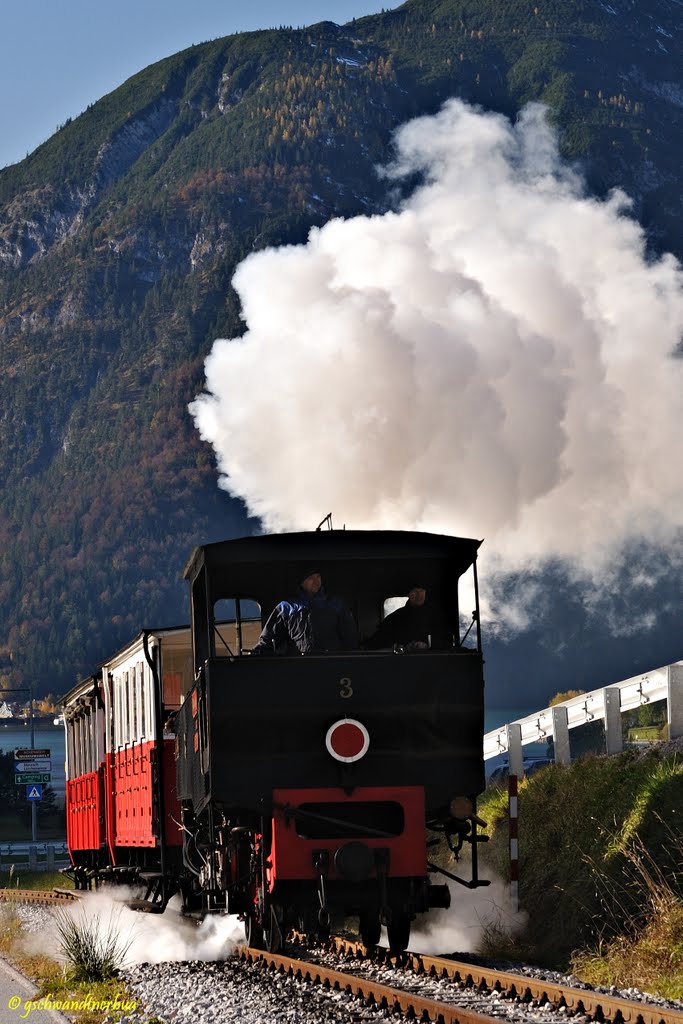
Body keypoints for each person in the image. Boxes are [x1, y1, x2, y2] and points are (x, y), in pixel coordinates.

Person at [250, 567, 359, 655]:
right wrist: (255, 654)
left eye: (318, 576)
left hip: (332, 665)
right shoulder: (286, 608)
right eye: (311, 578)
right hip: (299, 668)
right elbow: (269, 638)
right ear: (302, 582)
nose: (316, 581)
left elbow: (350, 638)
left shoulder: (336, 604)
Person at [365, 583, 451, 650]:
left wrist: (428, 645)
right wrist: (401, 646)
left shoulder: (438, 616)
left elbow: (448, 642)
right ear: (408, 595)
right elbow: (377, 642)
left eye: (421, 591)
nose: (418, 595)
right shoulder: (395, 617)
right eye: (414, 591)